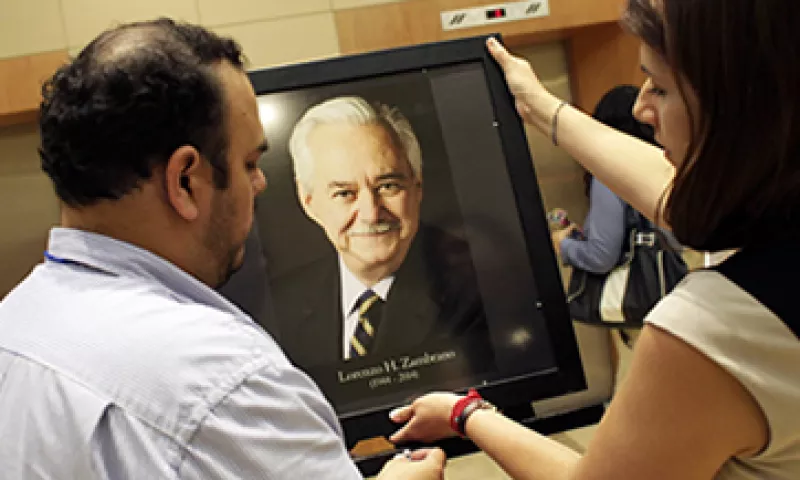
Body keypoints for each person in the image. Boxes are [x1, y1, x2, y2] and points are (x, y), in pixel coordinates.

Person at [0, 19, 444, 479]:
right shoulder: (225, 382)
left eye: (388, 184)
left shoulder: (11, 331)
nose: (260, 183)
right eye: (249, 163)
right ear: (186, 181)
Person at [389, 0, 800, 479]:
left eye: (661, 88)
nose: (641, 107)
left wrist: (467, 414)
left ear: (739, 112)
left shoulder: (715, 330)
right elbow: (674, 200)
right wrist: (540, 107)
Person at [264, 96, 493, 370]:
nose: (371, 213)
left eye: (387, 186)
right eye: (345, 193)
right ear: (308, 201)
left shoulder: (483, 286)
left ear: (417, 186)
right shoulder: (279, 307)